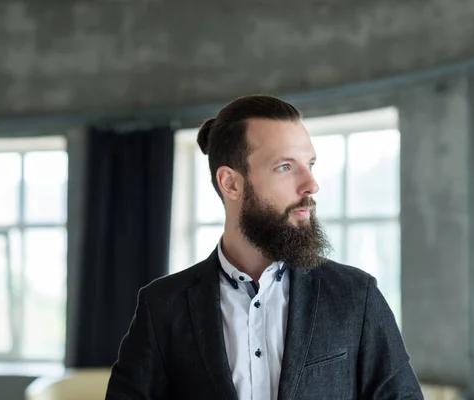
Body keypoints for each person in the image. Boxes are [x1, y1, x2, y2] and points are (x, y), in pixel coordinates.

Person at [105, 95, 424, 400]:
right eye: (285, 166)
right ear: (230, 183)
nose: (311, 184)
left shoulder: (357, 296)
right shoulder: (162, 307)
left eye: (309, 163)